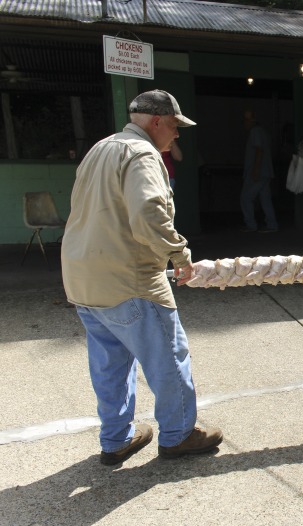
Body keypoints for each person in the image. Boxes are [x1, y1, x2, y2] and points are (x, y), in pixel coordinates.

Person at [61, 89, 223, 465]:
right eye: (175, 126)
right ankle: (179, 434)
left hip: (83, 278)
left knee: (110, 365)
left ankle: (116, 439)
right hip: (129, 279)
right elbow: (149, 213)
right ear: (156, 122)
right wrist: (179, 253)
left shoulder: (102, 147)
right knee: (168, 358)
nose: (177, 134)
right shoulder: (144, 154)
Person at [240, 110, 279, 233]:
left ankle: (251, 225)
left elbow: (259, 150)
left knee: (246, 198)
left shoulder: (255, 131)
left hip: (258, 172)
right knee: (265, 199)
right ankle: (272, 224)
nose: (245, 123)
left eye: (246, 120)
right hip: (266, 172)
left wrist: (256, 170)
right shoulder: (263, 131)